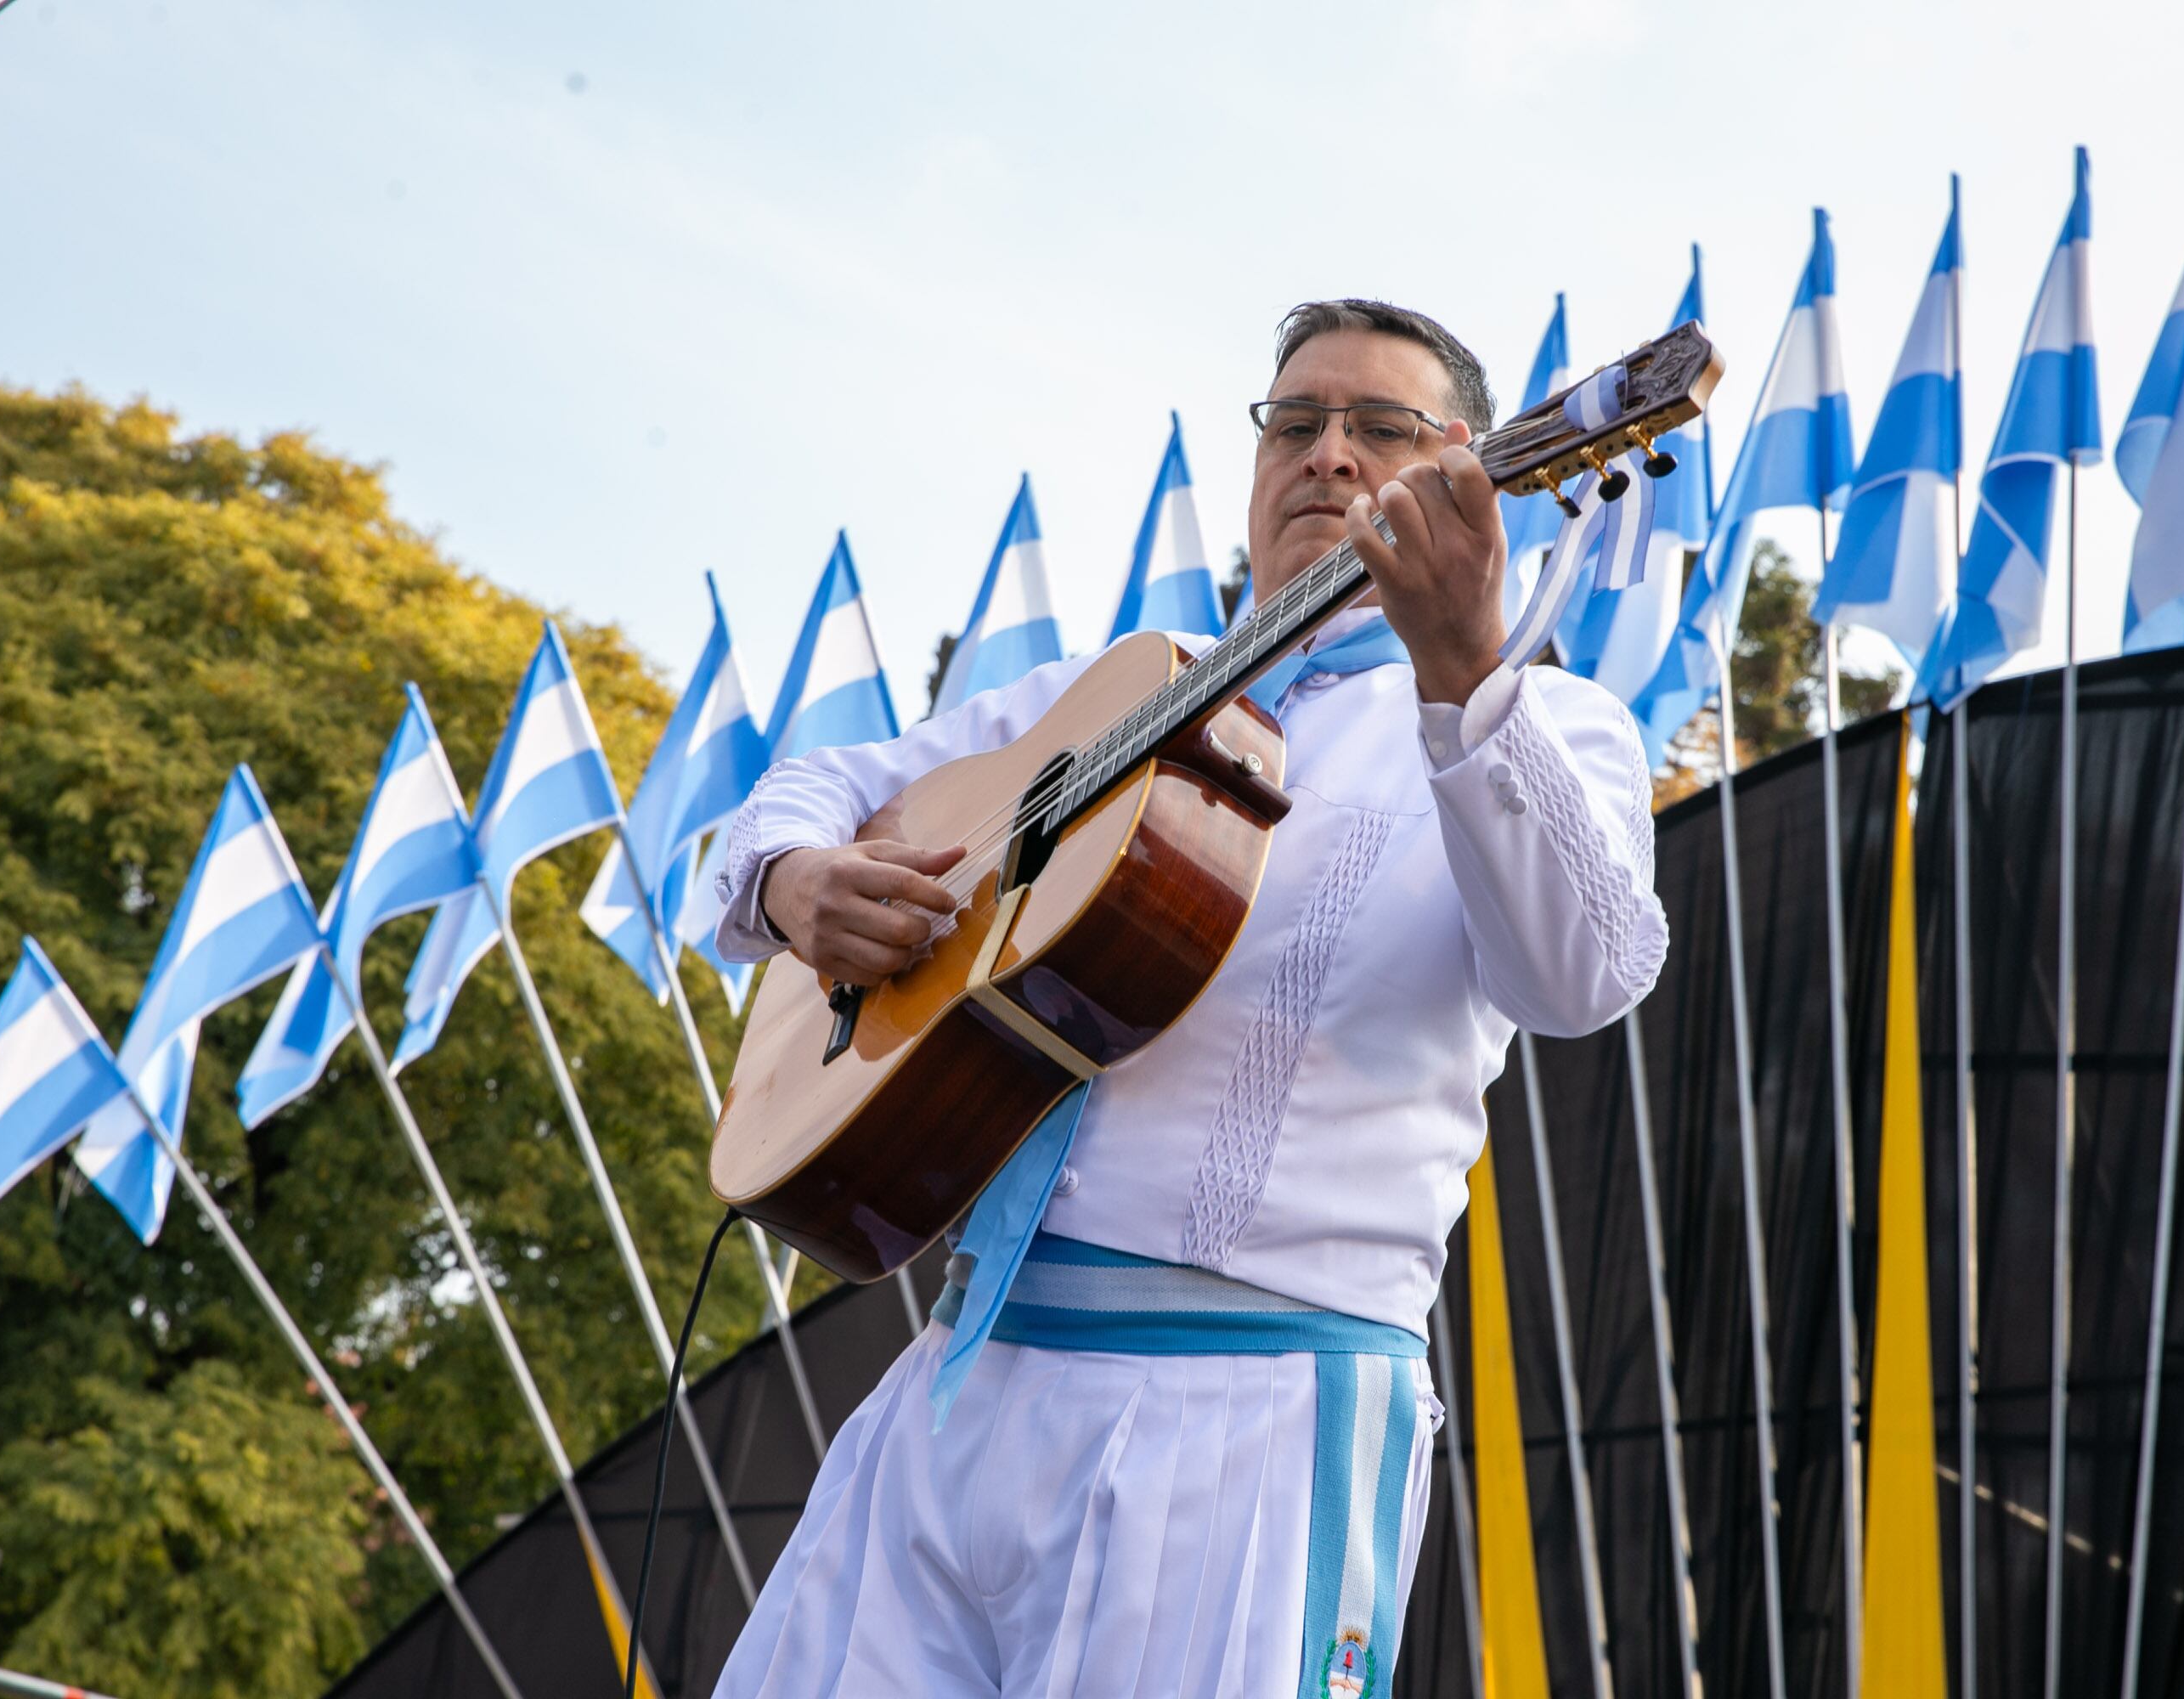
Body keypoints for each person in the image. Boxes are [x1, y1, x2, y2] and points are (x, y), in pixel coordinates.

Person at [707, 299, 1666, 1697]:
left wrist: (1465, 672)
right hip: (961, 1373)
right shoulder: (1117, 689)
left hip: (1252, 1408)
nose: (1329, 455)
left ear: (1470, 469)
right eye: (1296, 423)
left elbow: (1584, 978)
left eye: (1380, 428)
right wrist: (793, 880)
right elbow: (821, 783)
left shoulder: (1555, 723)